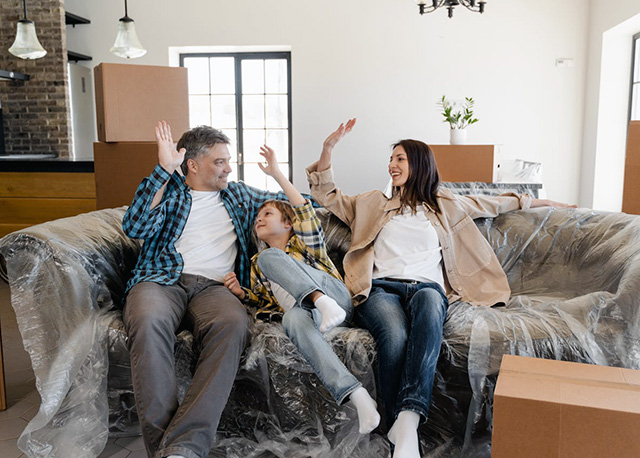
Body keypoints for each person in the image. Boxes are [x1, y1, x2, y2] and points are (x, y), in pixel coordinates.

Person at [306, 118, 575, 458]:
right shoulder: (371, 202)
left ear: (419, 163)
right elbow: (324, 194)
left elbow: (495, 202)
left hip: (427, 288)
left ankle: (408, 418)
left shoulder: (444, 203)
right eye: (391, 159)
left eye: (400, 159)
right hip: (381, 289)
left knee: (432, 309)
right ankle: (397, 438)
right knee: (394, 337)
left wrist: (547, 204)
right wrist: (329, 148)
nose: (392, 165)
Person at [122, 121, 298, 458]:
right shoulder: (170, 190)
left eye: (228, 160)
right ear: (193, 164)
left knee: (233, 326)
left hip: (217, 287)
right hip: (161, 279)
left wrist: (277, 174)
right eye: (220, 161)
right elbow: (135, 225)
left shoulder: (239, 194)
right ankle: (173, 450)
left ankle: (182, 446)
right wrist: (162, 170)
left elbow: (302, 206)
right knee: (146, 321)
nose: (229, 167)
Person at [223, 144, 381, 435]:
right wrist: (242, 293)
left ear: (288, 224)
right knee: (291, 318)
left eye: (267, 214)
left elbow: (304, 210)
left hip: (335, 299)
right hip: (308, 315)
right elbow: (263, 298)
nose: (259, 218)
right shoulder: (259, 264)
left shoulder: (306, 244)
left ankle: (320, 301)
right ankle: (357, 396)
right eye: (258, 216)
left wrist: (277, 174)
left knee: (273, 257)